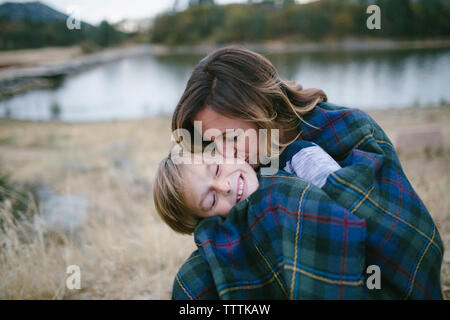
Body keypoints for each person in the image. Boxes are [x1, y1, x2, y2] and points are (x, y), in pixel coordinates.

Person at [166, 46, 444, 299]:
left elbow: (396, 224)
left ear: (262, 108)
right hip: (287, 277)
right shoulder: (243, 169)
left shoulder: (348, 128)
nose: (225, 153)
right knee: (193, 283)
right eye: (214, 142)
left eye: (231, 138)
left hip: (375, 275)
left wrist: (285, 196)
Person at [153, 140, 341, 234]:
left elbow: (349, 200)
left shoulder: (298, 160)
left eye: (217, 169)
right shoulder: (229, 245)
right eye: (211, 200)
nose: (224, 187)